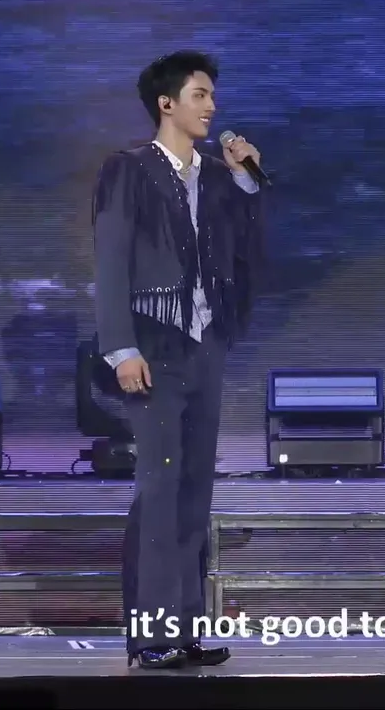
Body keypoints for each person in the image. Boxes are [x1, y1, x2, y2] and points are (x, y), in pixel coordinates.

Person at [92, 50, 266, 670]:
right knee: (160, 487)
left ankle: (186, 628)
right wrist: (121, 346)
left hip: (205, 343)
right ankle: (150, 636)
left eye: (212, 95)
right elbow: (111, 258)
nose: (211, 107)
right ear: (167, 103)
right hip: (154, 342)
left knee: (195, 489)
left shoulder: (217, 176)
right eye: (200, 95)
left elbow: (246, 248)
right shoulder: (129, 169)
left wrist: (247, 180)